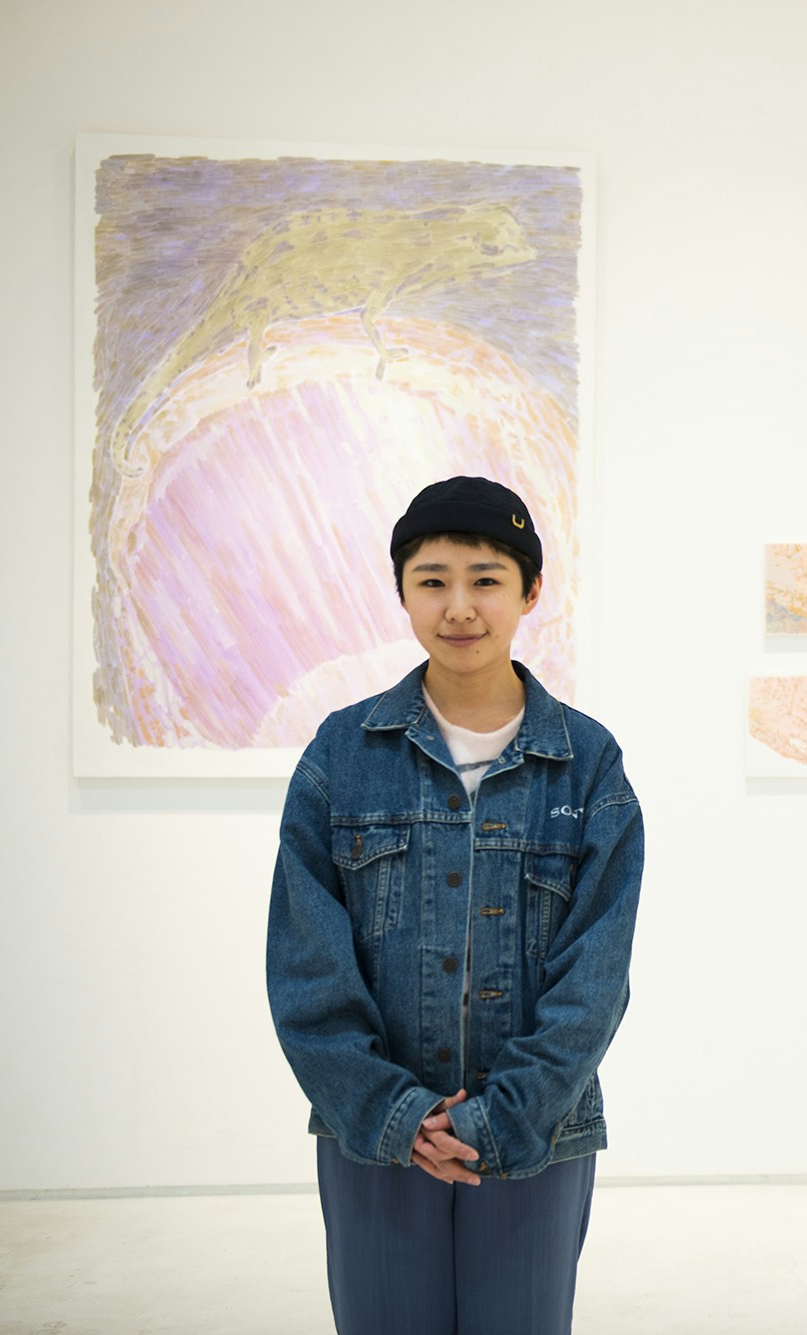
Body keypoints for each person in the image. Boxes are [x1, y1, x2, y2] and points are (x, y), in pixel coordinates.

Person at [267, 476, 644, 1335]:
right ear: (401, 591)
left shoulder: (587, 762)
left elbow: (595, 975)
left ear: (530, 591)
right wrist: (396, 1113)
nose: (459, 606)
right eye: (432, 580)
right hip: (374, 1134)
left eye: (486, 579)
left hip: (535, 1131)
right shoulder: (341, 752)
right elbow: (305, 962)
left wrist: (502, 1115)